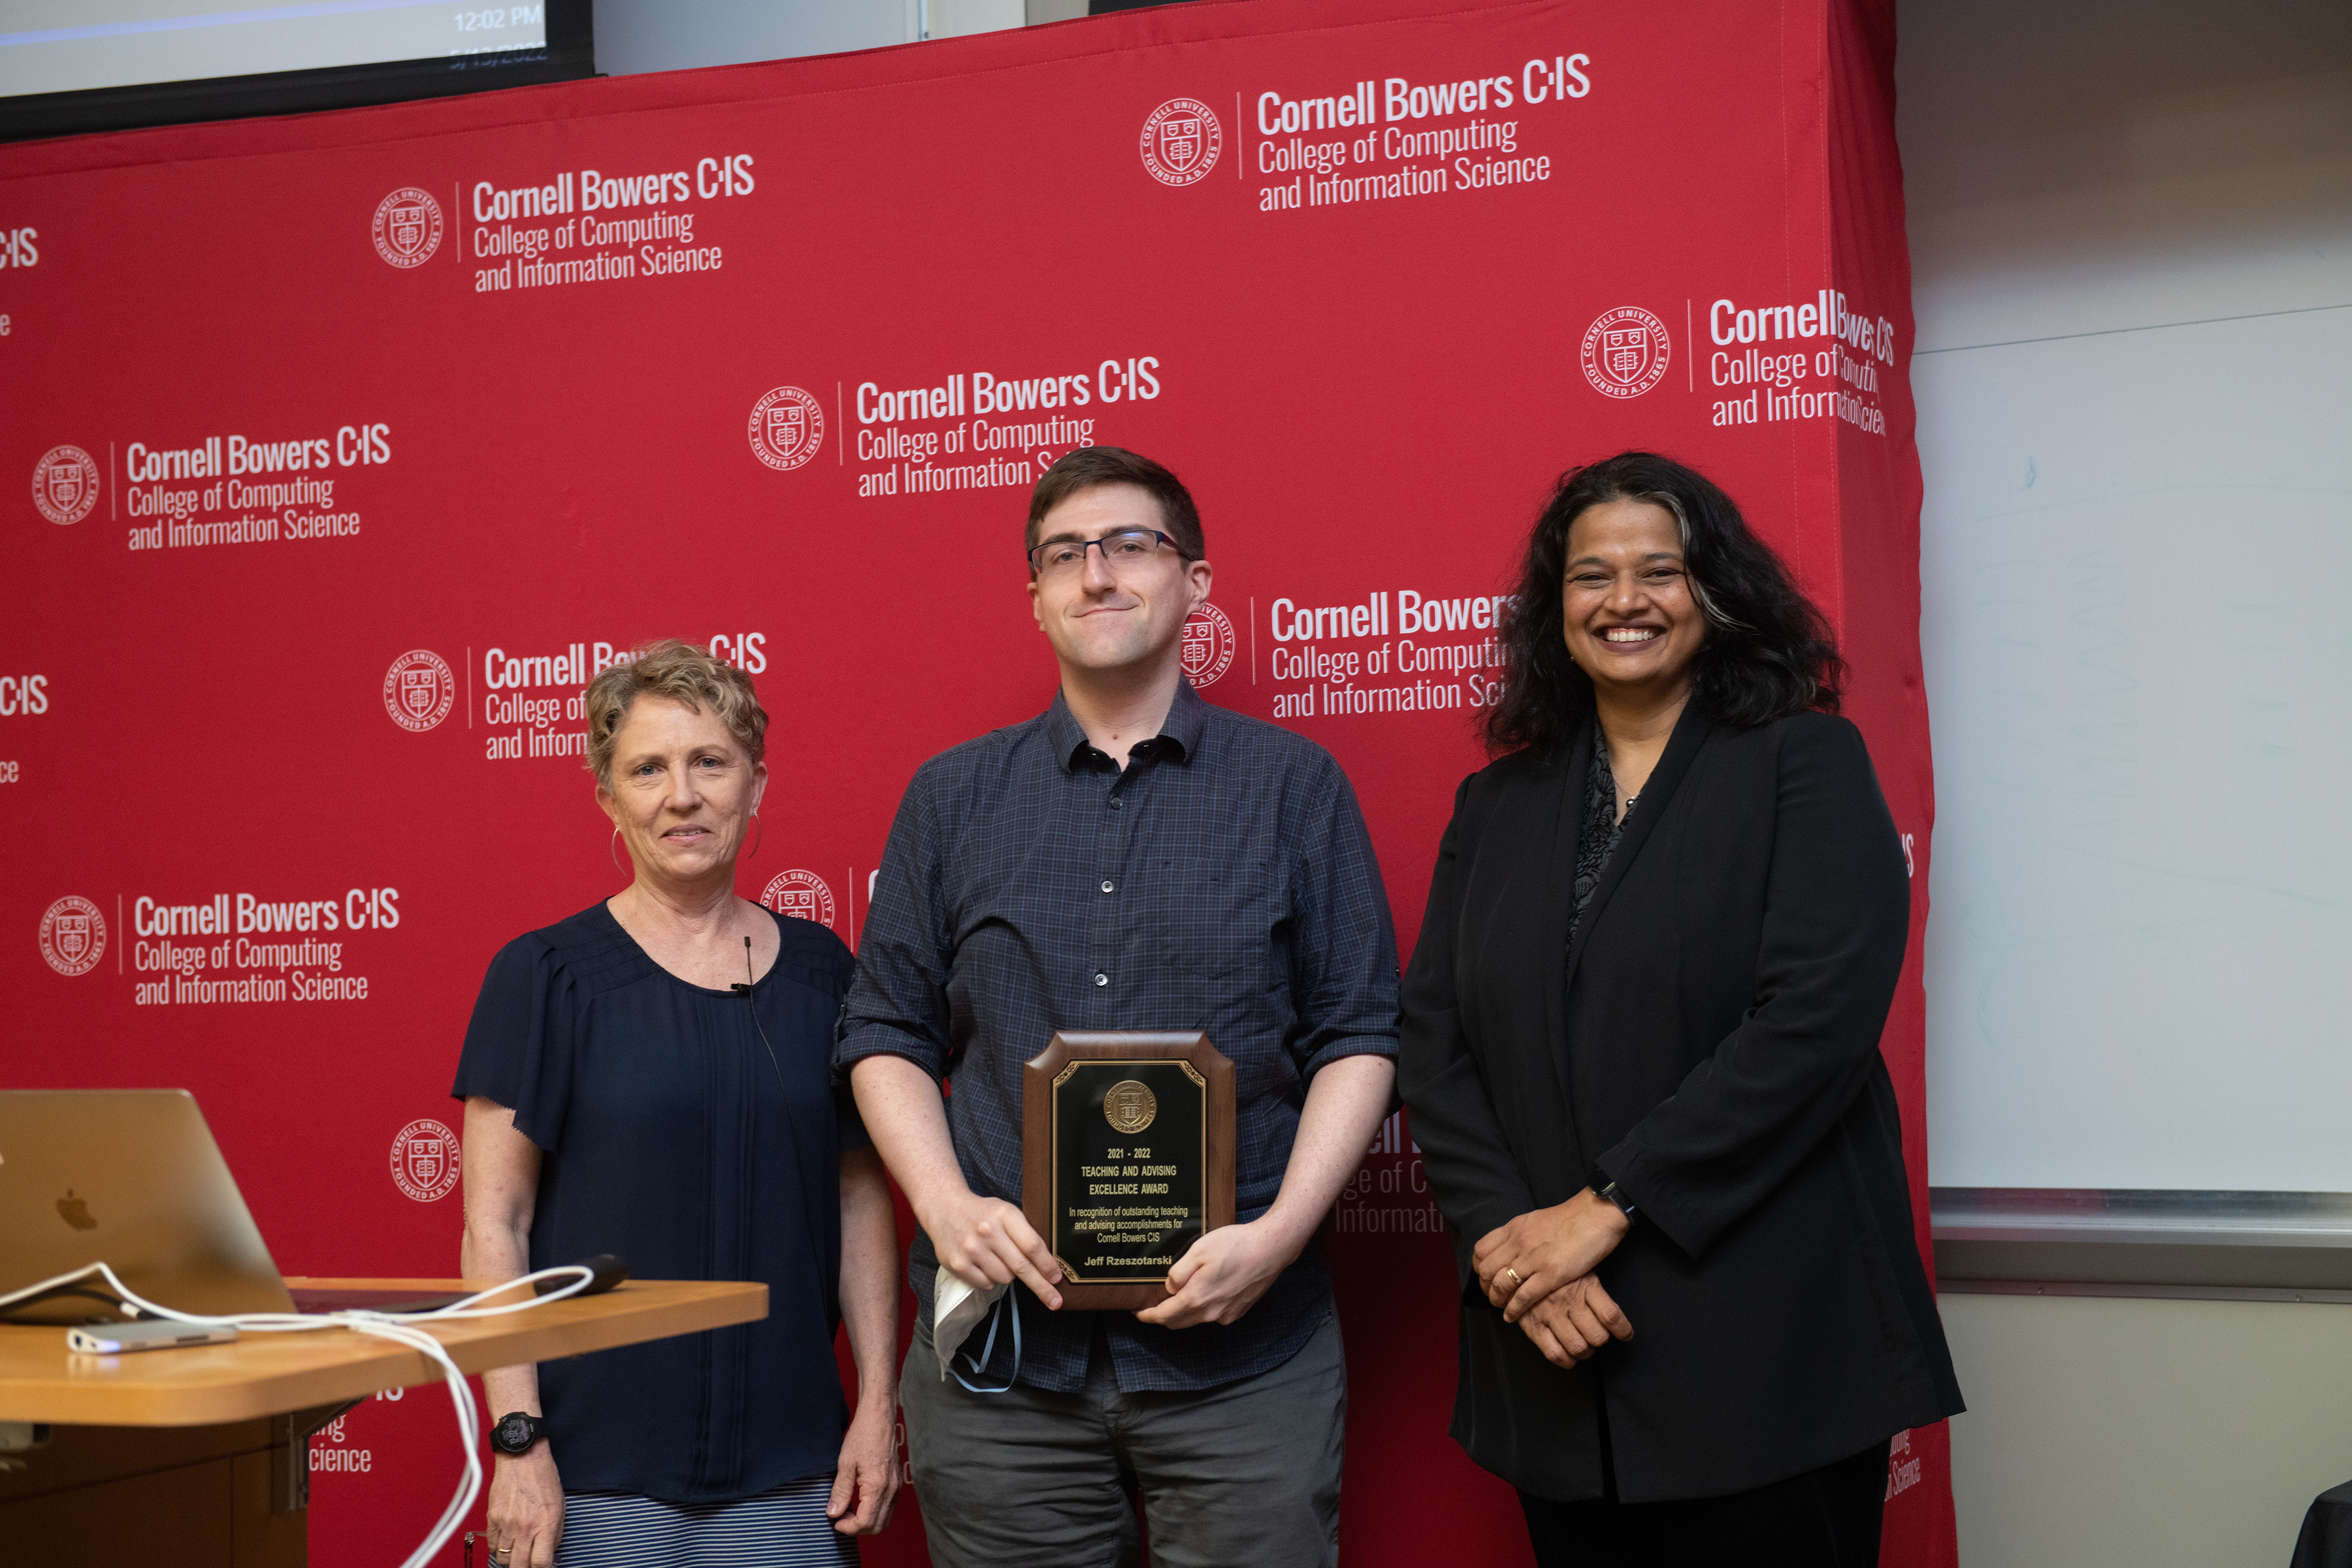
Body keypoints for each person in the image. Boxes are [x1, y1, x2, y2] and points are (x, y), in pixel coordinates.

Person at [1399, 453, 1964, 1566]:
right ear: (1552, 607)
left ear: (1717, 593)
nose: (1625, 601)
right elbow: (1435, 1045)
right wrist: (1516, 1255)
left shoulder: (1806, 761)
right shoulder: (1497, 803)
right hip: (1555, 1349)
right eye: (1591, 575)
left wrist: (1604, 1210)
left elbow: (1814, 1024)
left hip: (1765, 1351)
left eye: (1660, 571)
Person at [837, 447, 1398, 1568]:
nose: (1097, 574)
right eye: (1065, 555)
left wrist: (1281, 1238)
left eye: (1131, 545)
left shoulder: (1296, 788)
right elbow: (885, 1030)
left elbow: (1360, 1033)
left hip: (1246, 1358)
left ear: (1195, 582)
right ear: (1035, 597)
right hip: (1002, 1361)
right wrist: (945, 1206)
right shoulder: (951, 798)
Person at [453, 640, 902, 1568]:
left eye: (710, 762)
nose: (682, 796)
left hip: (792, 1477)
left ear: (757, 783)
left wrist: (877, 1405)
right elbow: (495, 1223)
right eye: (646, 770)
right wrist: (519, 1442)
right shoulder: (545, 978)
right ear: (608, 798)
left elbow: (861, 1201)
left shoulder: (827, 975)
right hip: (591, 1479)